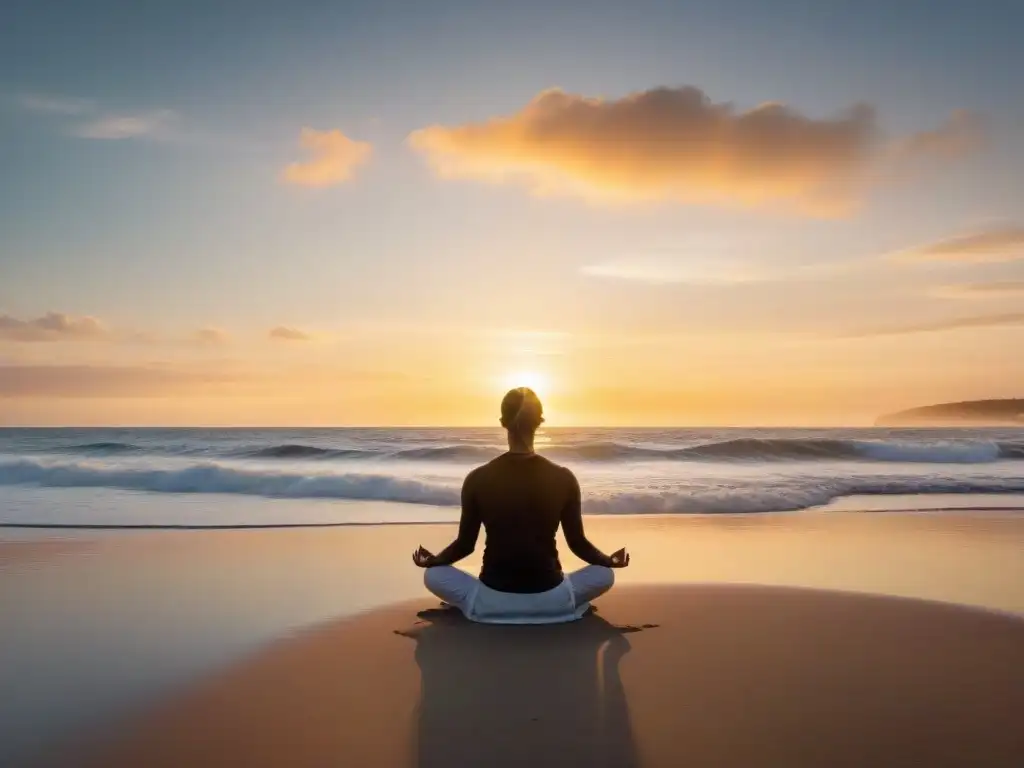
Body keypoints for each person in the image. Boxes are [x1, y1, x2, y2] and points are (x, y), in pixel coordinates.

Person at [412, 387, 629, 623]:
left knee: (433, 575)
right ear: (540, 421)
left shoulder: (477, 478)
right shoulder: (564, 478)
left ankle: (477, 607)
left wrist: (435, 561)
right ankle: (562, 608)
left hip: (490, 603)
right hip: (553, 601)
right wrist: (607, 560)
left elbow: (465, 546)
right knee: (604, 574)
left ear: (503, 422)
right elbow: (578, 544)